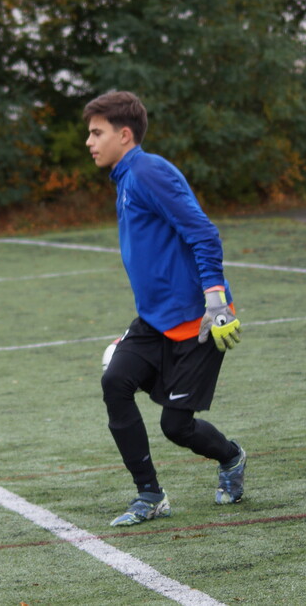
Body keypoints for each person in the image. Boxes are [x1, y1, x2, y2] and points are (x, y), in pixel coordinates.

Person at [84, 90, 245, 527]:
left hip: (198, 320)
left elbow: (203, 233)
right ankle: (150, 495)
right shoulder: (125, 178)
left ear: (124, 134)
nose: (89, 142)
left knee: (176, 427)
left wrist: (216, 301)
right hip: (154, 321)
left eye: (96, 133)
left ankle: (231, 457)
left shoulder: (149, 171)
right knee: (115, 382)